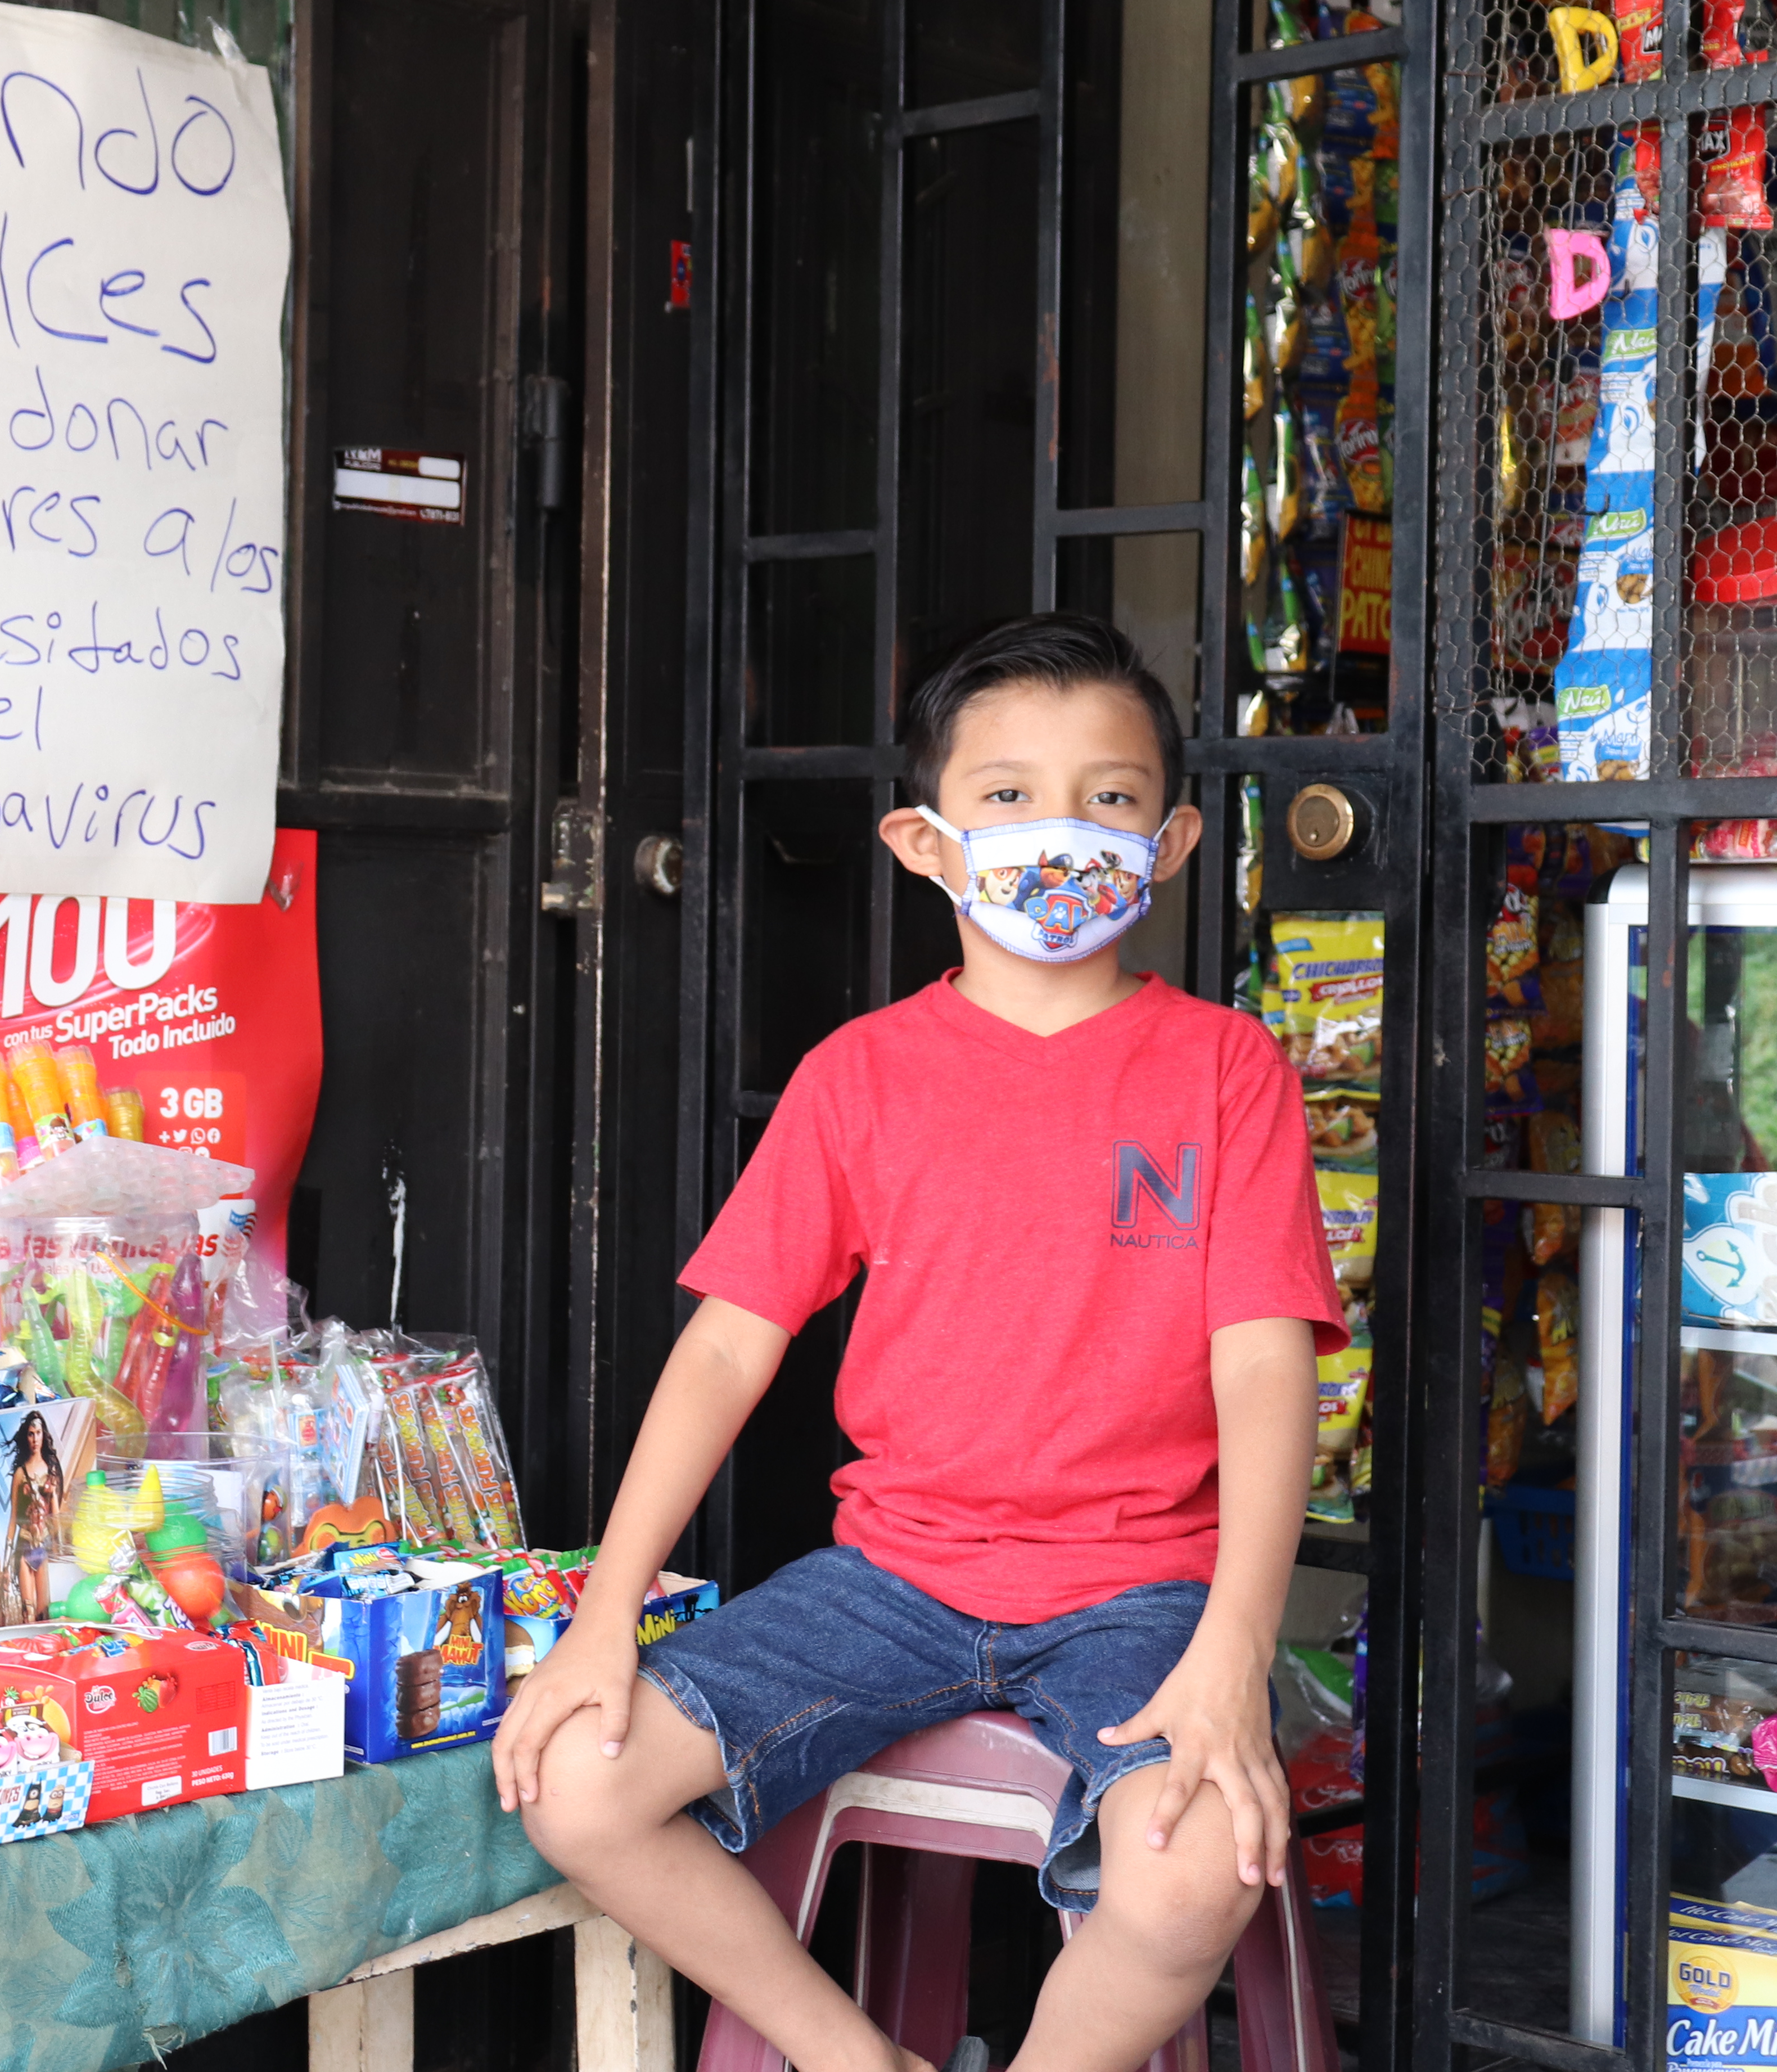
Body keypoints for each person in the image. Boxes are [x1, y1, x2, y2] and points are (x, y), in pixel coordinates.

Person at [493, 612, 1340, 2072]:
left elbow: (1267, 1368)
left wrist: (1232, 1650)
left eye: (1112, 797)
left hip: (1141, 1593)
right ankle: (851, 2057)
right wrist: (599, 1621)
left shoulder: (1224, 1071)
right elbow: (723, 1351)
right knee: (575, 1778)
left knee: (1194, 1866)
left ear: (1180, 840)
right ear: (927, 843)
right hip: (893, 1581)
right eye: (1007, 796)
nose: (1061, 830)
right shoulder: (860, 1079)